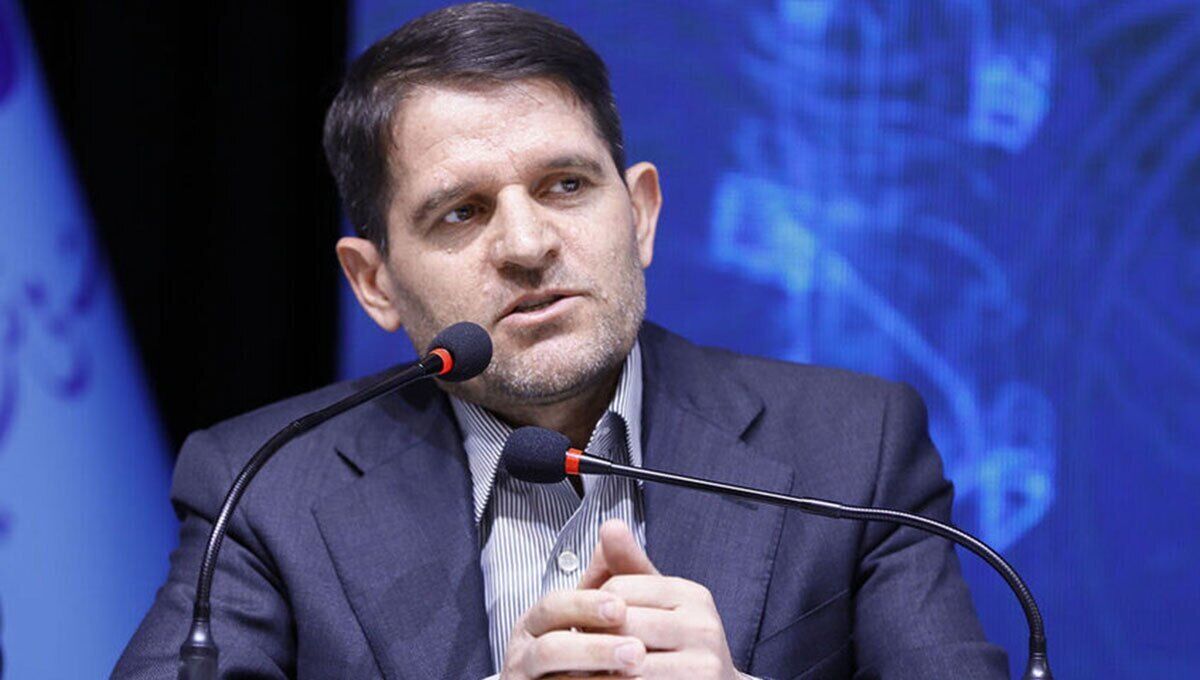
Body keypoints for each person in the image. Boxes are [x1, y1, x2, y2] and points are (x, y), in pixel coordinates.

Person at [115, 3, 1008, 678]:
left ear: (641, 213)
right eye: (461, 212)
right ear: (373, 282)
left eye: (566, 186)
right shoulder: (266, 486)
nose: (527, 244)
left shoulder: (852, 452)